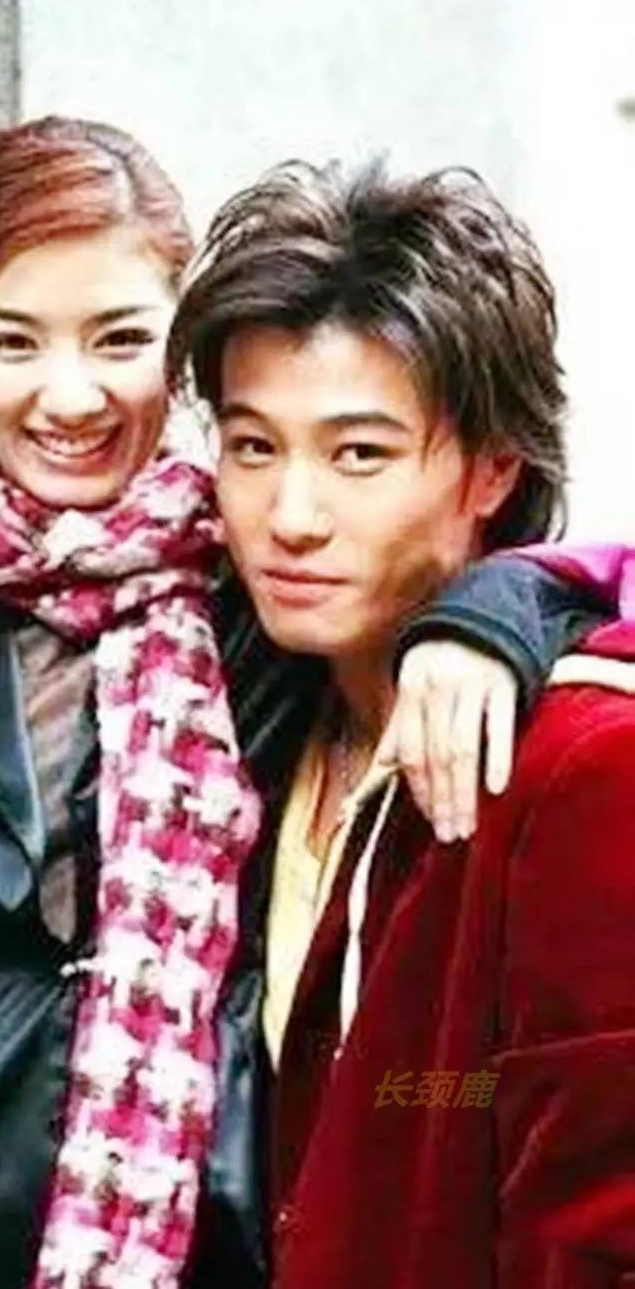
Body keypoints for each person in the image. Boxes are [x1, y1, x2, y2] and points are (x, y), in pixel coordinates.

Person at [0, 119, 601, 1289]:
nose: (69, 393)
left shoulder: (245, 603)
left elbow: (571, 583)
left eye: (117, 337)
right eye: (12, 339)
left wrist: (500, 606)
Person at [166, 156, 635, 1286]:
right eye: (253, 445)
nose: (291, 516)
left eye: (360, 455)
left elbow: (600, 1227)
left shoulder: (582, 767)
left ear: (492, 470)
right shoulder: (217, 734)